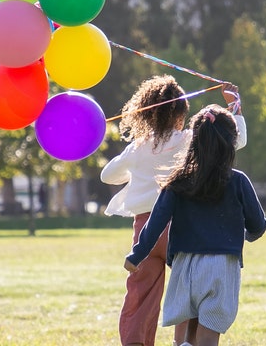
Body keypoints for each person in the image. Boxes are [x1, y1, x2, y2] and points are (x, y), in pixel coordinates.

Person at [101, 75, 246, 346]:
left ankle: (135, 342)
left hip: (144, 230)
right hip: (182, 228)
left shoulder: (138, 146)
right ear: (181, 113)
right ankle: (188, 341)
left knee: (140, 293)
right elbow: (235, 141)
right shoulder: (190, 139)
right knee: (191, 290)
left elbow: (108, 176)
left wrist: (137, 169)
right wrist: (235, 106)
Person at [123, 104, 266, 346]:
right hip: (222, 266)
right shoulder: (238, 181)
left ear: (194, 141)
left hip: (184, 266)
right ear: (232, 143)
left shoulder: (178, 181)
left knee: (186, 334)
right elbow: (258, 225)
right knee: (208, 335)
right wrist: (245, 235)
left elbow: (156, 222)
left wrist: (136, 255)